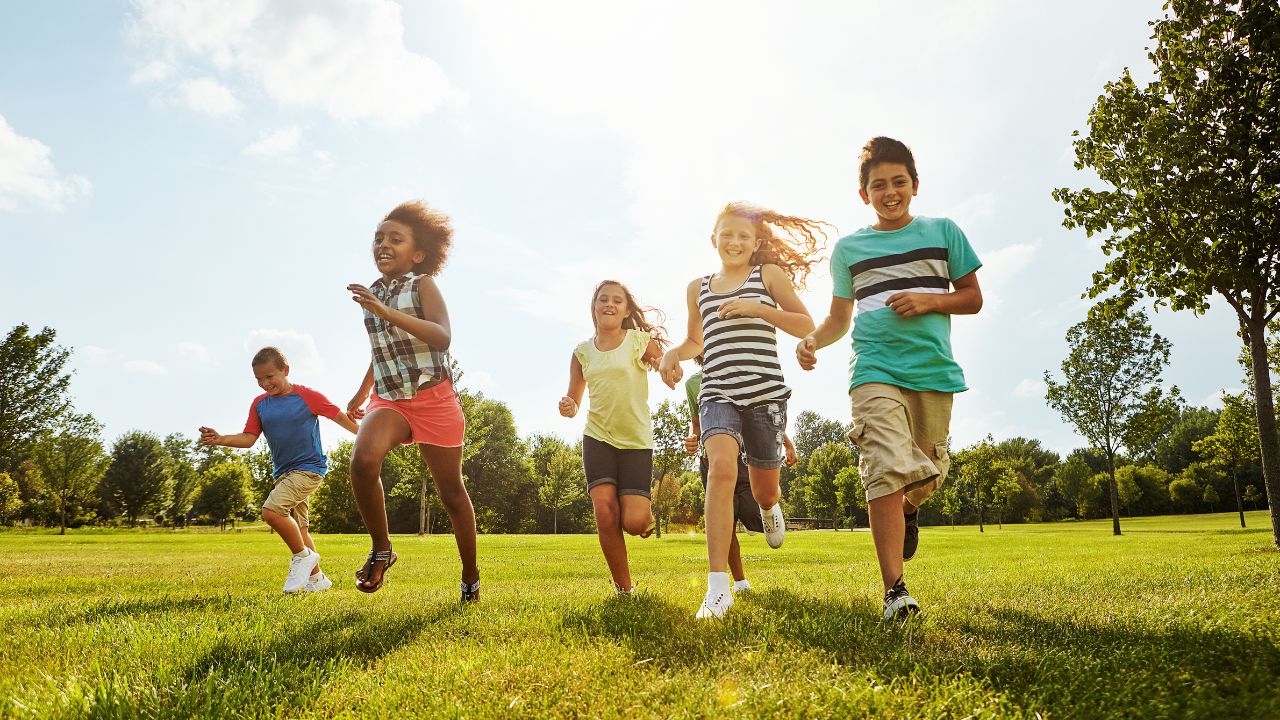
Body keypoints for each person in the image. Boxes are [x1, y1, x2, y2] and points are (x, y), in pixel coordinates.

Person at [797, 137, 983, 620]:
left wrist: (929, 300)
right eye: (878, 185)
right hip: (873, 369)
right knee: (883, 466)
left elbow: (972, 297)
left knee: (929, 471)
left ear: (915, 185)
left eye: (899, 182)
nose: (890, 192)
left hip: (932, 371)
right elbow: (839, 318)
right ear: (864, 194)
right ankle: (895, 592)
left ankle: (910, 508)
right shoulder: (850, 249)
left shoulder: (943, 232)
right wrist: (814, 339)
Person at [660, 201, 829, 619]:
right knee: (720, 468)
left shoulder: (767, 275)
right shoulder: (697, 287)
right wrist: (672, 353)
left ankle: (769, 509)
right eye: (727, 234)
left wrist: (757, 308)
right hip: (718, 392)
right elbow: (696, 342)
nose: (734, 242)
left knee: (763, 490)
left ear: (756, 242)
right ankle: (718, 588)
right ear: (713, 239)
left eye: (743, 236)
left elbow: (805, 324)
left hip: (765, 394)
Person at [345, 200, 480, 600]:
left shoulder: (422, 285)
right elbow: (383, 349)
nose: (383, 245)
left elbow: (442, 337)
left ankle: (470, 575)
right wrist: (361, 391)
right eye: (379, 238)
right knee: (363, 460)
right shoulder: (373, 293)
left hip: (433, 398)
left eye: (395, 239)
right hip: (390, 399)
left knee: (451, 493)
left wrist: (385, 312)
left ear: (418, 254)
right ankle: (382, 549)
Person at [199, 346, 358, 594]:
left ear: (285, 370)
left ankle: (303, 557)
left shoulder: (307, 396)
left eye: (269, 376)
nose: (264, 383)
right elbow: (249, 438)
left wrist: (372, 436)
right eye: (259, 379)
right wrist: (220, 439)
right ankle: (317, 580)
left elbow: (339, 417)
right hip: (283, 474)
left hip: (309, 469)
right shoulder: (260, 404)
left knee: (272, 511)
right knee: (299, 528)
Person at [559, 280, 666, 594]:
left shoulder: (638, 341)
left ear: (627, 310)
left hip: (636, 441)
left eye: (617, 300)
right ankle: (624, 590)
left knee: (634, 523)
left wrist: (668, 369)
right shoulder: (582, 352)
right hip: (598, 438)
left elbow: (663, 363)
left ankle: (639, 515)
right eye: (603, 299)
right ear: (594, 307)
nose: (609, 304)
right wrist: (569, 406)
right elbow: (574, 400)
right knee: (605, 512)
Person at [683, 363, 797, 595]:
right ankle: (740, 582)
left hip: (744, 457)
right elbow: (696, 423)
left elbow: (758, 417)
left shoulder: (735, 367)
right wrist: (692, 437)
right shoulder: (693, 383)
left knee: (755, 512)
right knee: (724, 522)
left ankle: (769, 501)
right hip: (711, 460)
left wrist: (787, 443)